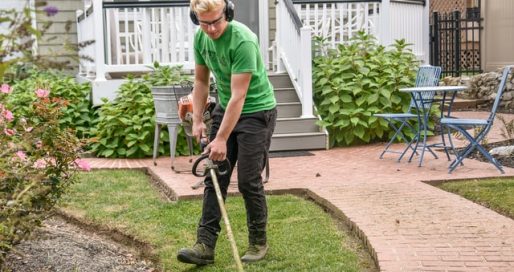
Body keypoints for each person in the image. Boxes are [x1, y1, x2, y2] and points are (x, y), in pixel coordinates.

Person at [176, 0, 277, 266]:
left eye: (215, 22)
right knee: (215, 175)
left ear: (228, 14)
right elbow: (200, 81)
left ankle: (258, 241)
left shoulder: (243, 40)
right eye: (203, 22)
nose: (210, 29)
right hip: (225, 106)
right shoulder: (202, 37)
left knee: (247, 180)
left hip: (256, 110)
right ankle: (204, 246)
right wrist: (197, 119)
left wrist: (221, 138)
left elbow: (239, 96)